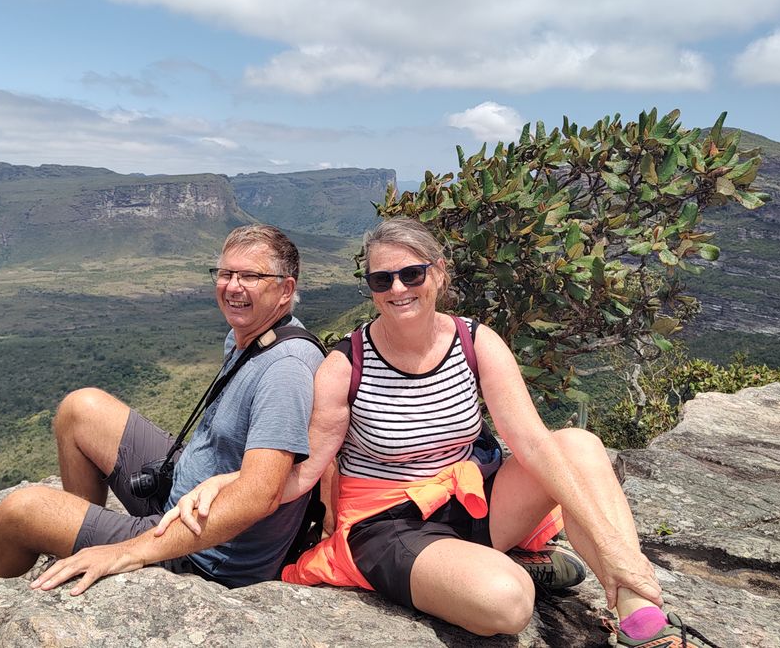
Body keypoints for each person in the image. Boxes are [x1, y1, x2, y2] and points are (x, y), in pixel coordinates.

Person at [158, 218, 716, 646]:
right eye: (382, 278)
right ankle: (514, 567)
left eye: (412, 273)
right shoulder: (345, 364)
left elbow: (534, 445)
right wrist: (235, 480)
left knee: (580, 446)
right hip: (388, 523)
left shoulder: (476, 342)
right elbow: (306, 468)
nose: (398, 287)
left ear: (439, 273)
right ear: (371, 286)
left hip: (471, 499)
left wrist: (618, 552)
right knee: (507, 604)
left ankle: (641, 617)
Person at [0, 224, 324, 594]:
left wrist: (131, 552)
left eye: (250, 276)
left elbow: (259, 496)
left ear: (285, 290)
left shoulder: (284, 369)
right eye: (225, 273)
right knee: (80, 409)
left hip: (208, 551)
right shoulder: (251, 335)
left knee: (23, 509)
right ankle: (74, 543)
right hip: (182, 498)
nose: (233, 287)